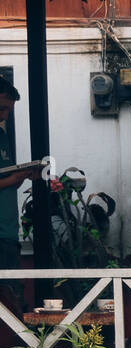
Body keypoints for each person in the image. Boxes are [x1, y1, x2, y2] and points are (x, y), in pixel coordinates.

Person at [0, 76, 38, 313]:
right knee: (12, 299)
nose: (4, 116)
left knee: (13, 296)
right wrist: (15, 178)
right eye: (1, 108)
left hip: (8, 231)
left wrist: (20, 176)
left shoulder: (2, 136)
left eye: (7, 111)